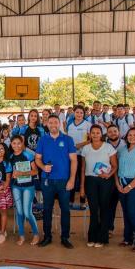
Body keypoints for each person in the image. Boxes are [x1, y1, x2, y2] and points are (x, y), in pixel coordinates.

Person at [35, 115, 77, 249]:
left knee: (65, 209)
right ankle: (47, 236)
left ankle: (65, 237)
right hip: (47, 181)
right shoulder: (42, 140)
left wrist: (72, 179)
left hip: (64, 181)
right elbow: (37, 159)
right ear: (46, 124)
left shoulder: (68, 139)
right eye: (50, 122)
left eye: (55, 122)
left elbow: (74, 161)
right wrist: (43, 167)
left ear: (60, 124)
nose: (53, 124)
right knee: (47, 210)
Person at [80, 125, 117, 248]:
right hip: (90, 181)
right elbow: (83, 168)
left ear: (101, 134)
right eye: (93, 133)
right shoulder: (85, 149)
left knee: (104, 209)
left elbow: (115, 165)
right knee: (93, 209)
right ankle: (92, 236)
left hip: (105, 181)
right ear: (90, 134)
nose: (95, 135)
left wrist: (108, 175)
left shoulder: (108, 147)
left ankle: (102, 237)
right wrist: (82, 186)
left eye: (97, 132)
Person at [9, 135, 40, 246]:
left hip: (28, 187)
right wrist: (13, 175)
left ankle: (36, 234)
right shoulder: (11, 157)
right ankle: (21, 235)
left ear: (22, 144)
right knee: (20, 212)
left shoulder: (28, 155)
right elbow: (10, 172)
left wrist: (22, 173)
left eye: (19, 143)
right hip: (16, 187)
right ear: (11, 144)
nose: (16, 145)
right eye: (14, 143)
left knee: (27, 212)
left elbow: (35, 171)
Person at [66, 105, 91, 209]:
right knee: (72, 177)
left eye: (81, 113)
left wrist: (80, 145)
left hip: (83, 155)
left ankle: (82, 201)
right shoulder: (70, 125)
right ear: (74, 113)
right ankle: (70, 200)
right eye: (77, 112)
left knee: (82, 178)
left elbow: (91, 140)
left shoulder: (88, 124)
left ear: (84, 114)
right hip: (72, 156)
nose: (79, 114)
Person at [106, 124, 125, 234]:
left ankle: (129, 230)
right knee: (110, 205)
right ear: (107, 134)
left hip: (123, 178)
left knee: (126, 205)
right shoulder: (104, 145)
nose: (113, 133)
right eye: (110, 132)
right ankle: (109, 227)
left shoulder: (126, 144)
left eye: (115, 131)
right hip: (109, 178)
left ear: (119, 132)